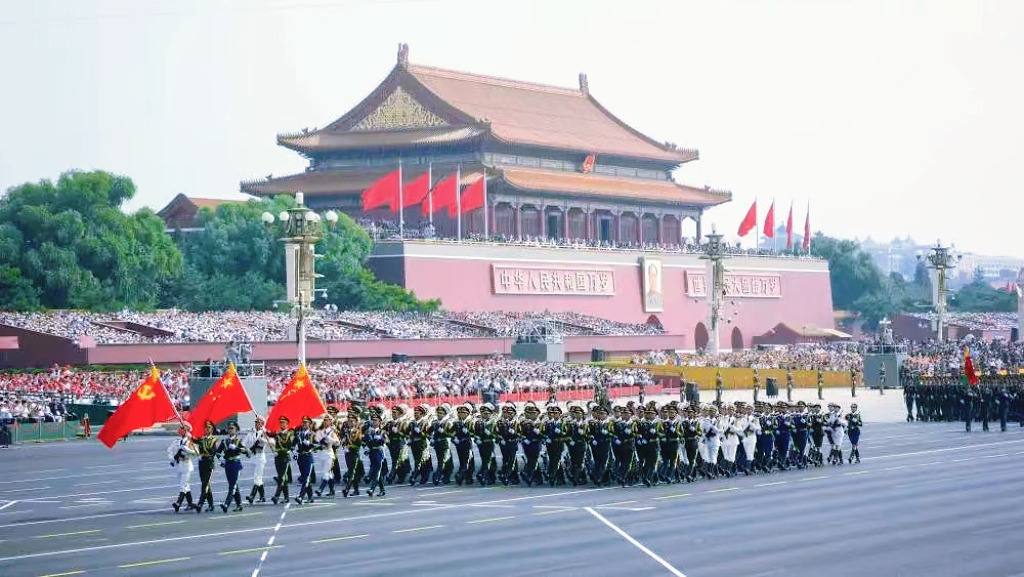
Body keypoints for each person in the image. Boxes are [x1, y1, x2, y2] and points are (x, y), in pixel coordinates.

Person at [168, 422, 200, 513]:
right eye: (180, 428)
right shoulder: (177, 441)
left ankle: (178, 503)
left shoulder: (190, 441)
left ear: (187, 430)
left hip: (187, 465)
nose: (180, 429)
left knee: (183, 486)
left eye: (182, 428)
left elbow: (197, 453)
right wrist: (172, 459)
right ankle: (191, 504)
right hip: (179, 465)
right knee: (186, 486)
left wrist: (187, 449)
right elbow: (169, 450)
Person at [219, 421, 250, 513]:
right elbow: (217, 452)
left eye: (232, 428)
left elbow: (245, 451)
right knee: (233, 484)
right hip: (228, 464)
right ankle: (239, 505)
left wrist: (236, 448)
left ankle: (226, 504)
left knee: (232, 486)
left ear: (236, 430)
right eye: (229, 428)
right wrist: (221, 459)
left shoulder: (238, 441)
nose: (230, 430)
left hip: (236, 464)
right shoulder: (224, 441)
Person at [195, 420, 220, 513]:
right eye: (205, 427)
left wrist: (204, 454)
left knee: (204, 485)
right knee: (206, 484)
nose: (206, 429)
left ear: (212, 429)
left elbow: (213, 452)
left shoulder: (213, 440)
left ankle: (200, 504)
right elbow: (193, 440)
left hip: (209, 464)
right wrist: (188, 433)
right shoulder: (202, 439)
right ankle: (211, 504)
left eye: (208, 427)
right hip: (202, 464)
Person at [269, 416, 295, 504]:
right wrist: (263, 428)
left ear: (287, 424)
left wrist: (279, 449)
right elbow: (269, 434)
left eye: (283, 423)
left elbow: (288, 445)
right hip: (277, 457)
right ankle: (286, 497)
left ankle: (276, 496)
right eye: (280, 423)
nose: (282, 424)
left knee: (281, 477)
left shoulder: (290, 434)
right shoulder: (277, 433)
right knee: (282, 478)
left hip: (285, 457)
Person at [244, 415, 269, 504]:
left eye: (258, 422)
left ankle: (252, 496)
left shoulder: (264, 433)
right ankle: (262, 497)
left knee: (257, 478)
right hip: (253, 457)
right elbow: (243, 443)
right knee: (258, 478)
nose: (256, 424)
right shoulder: (251, 433)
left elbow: (263, 444)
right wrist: (245, 451)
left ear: (262, 424)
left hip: (260, 457)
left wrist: (263, 437)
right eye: (256, 422)